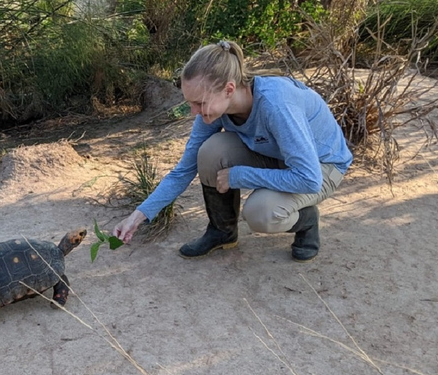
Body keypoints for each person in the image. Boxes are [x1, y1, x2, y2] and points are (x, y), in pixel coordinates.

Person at [112, 40, 353, 262]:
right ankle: (222, 232)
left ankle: (307, 221)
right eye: (190, 103)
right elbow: (183, 170)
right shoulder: (217, 109)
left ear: (229, 89)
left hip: (322, 167)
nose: (194, 112)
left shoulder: (276, 105)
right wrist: (138, 216)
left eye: (200, 103)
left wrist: (240, 176)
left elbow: (309, 179)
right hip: (279, 157)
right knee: (209, 152)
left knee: (261, 212)